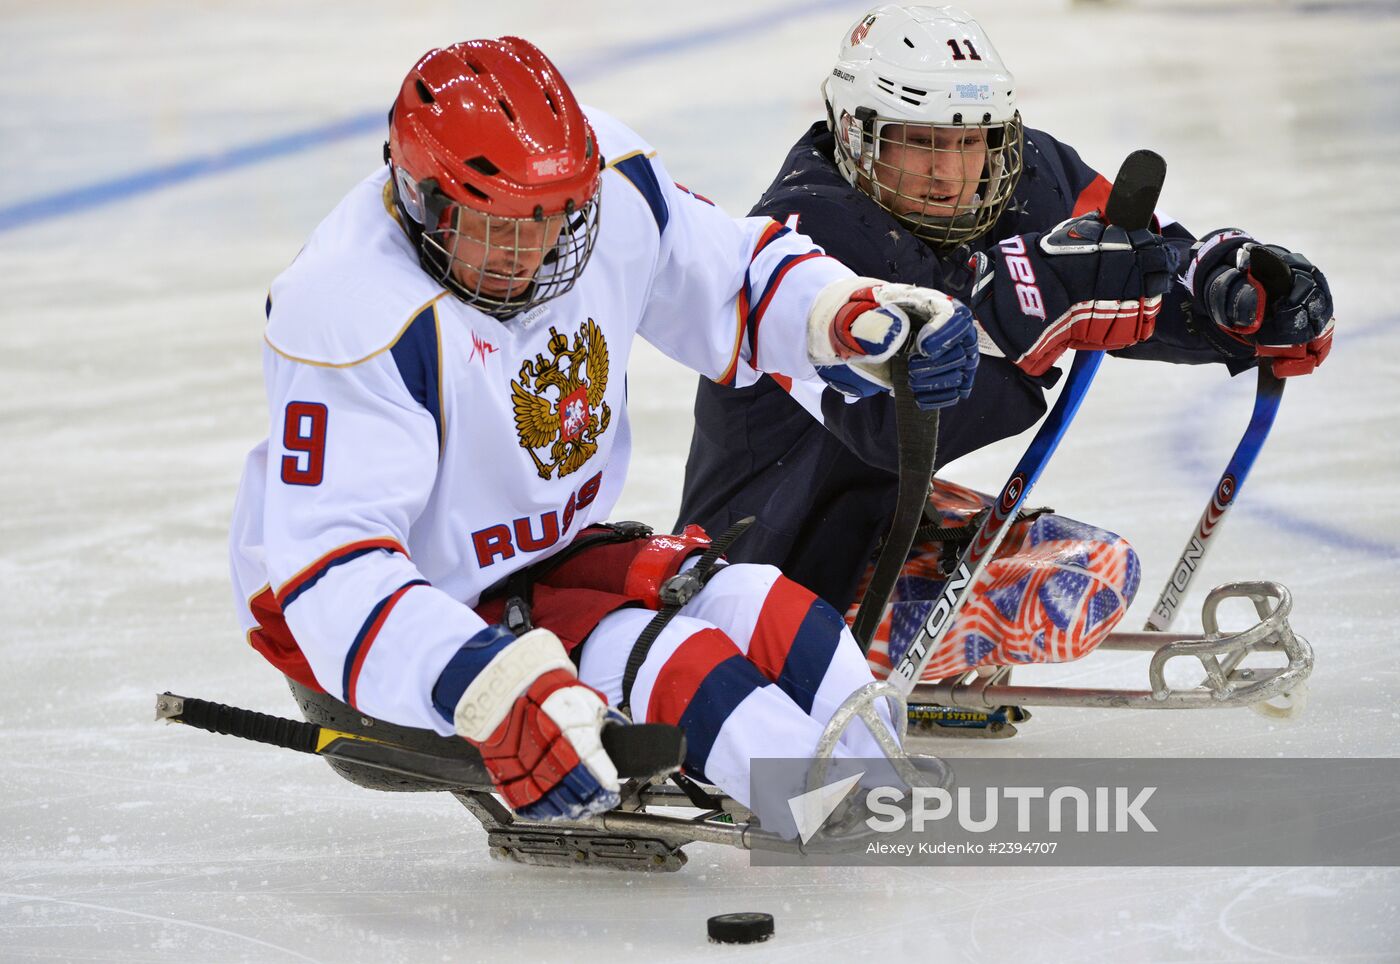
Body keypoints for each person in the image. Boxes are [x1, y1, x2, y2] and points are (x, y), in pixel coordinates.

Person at [227, 37, 979, 826]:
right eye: (499, 226)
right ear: (422, 200)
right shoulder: (349, 309)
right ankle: (814, 807)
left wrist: (848, 315)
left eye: (554, 220)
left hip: (539, 558)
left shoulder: (606, 182)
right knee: (677, 666)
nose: (536, 253)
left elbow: (732, 274)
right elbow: (334, 573)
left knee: (762, 602)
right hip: (385, 621)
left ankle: (874, 773)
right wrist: (476, 686)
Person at [676, 4, 1334, 681]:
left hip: (882, 516)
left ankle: (878, 647)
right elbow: (885, 422)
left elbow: (1137, 264)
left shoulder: (1024, 175)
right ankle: (795, 662)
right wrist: (1038, 313)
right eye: (920, 141)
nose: (951, 174)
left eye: (970, 142)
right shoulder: (802, 240)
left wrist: (1234, 306)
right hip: (773, 567)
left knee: (1100, 567)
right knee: (1069, 598)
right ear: (855, 132)